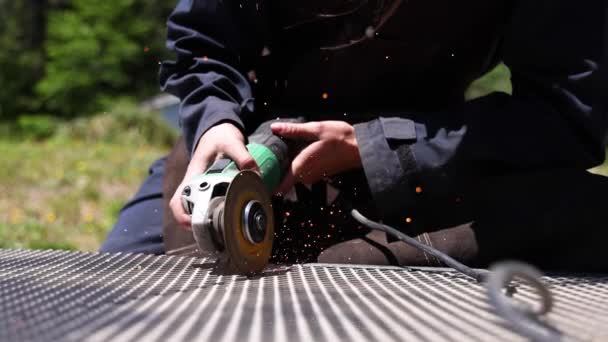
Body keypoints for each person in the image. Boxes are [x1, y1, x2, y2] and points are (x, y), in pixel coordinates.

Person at [102, 0, 608, 271]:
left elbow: (566, 116)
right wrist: (215, 120)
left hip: (429, 162)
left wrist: (377, 147)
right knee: (118, 279)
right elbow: (203, 43)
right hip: (248, 150)